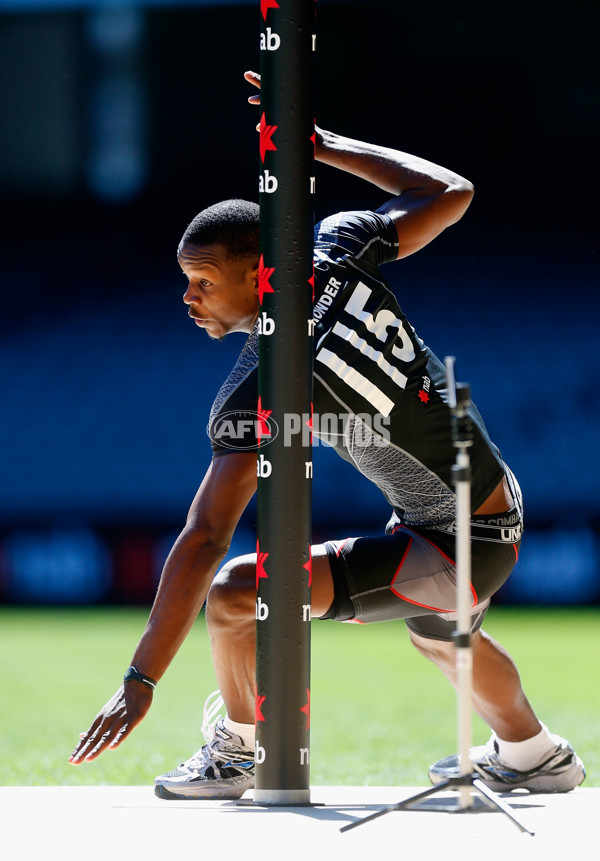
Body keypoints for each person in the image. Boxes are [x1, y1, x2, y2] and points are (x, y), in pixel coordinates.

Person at [69, 71, 585, 799]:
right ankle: (537, 754)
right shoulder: (334, 245)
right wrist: (323, 145)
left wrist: (140, 676)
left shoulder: (265, 384)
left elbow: (206, 534)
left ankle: (241, 749)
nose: (188, 297)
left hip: (455, 536)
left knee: (233, 589)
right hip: (482, 505)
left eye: (205, 280)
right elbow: (452, 192)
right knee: (439, 632)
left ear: (257, 273)